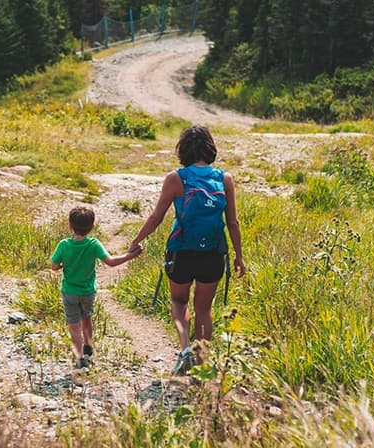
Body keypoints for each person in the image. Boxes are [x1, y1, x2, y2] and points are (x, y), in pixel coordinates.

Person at [127, 125, 246, 376]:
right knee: (204, 308)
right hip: (213, 252)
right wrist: (239, 256)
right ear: (210, 147)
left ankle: (184, 350)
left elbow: (157, 216)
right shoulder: (224, 179)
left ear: (183, 150)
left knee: (179, 301)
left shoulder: (176, 179)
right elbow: (233, 223)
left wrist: (136, 240)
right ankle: (201, 363)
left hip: (181, 251)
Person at [51, 205, 142, 369]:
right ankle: (88, 347)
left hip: (69, 292)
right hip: (88, 292)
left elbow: (54, 266)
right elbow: (111, 262)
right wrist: (130, 256)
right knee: (87, 318)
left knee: (74, 325)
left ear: (70, 225)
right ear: (92, 227)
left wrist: (65, 263)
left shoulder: (63, 245)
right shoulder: (93, 244)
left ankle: (79, 357)